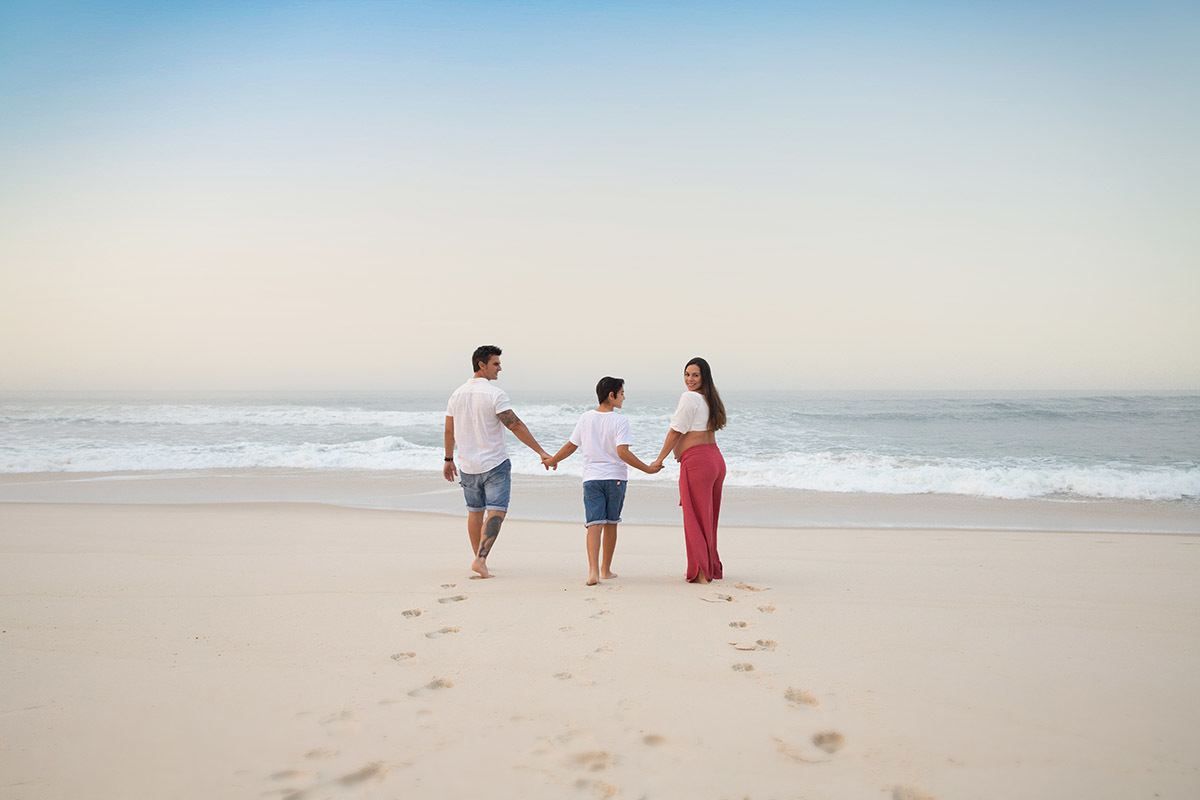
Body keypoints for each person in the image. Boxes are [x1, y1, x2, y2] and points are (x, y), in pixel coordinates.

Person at [443, 345, 553, 579]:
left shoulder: (456, 394)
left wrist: (448, 458)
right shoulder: (495, 395)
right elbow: (515, 425)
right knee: (497, 511)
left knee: (475, 512)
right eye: (496, 364)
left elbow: (449, 430)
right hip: (494, 464)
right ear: (481, 365)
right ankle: (481, 559)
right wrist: (541, 452)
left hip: (467, 465)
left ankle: (478, 559)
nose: (500, 368)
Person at [544, 377, 662, 586]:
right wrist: (647, 469)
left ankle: (592, 572)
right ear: (611, 395)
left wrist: (553, 460)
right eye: (622, 393)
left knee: (594, 524)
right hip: (615, 478)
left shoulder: (585, 418)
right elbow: (622, 452)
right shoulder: (619, 420)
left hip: (591, 479)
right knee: (611, 524)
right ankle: (605, 570)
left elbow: (571, 446)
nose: (624, 397)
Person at [650, 357, 728, 584]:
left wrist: (659, 459)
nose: (690, 379)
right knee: (708, 517)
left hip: (699, 463)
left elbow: (675, 431)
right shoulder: (710, 399)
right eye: (686, 374)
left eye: (695, 375)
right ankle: (710, 567)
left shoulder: (689, 397)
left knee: (695, 516)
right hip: (714, 459)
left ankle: (702, 573)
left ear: (704, 376)